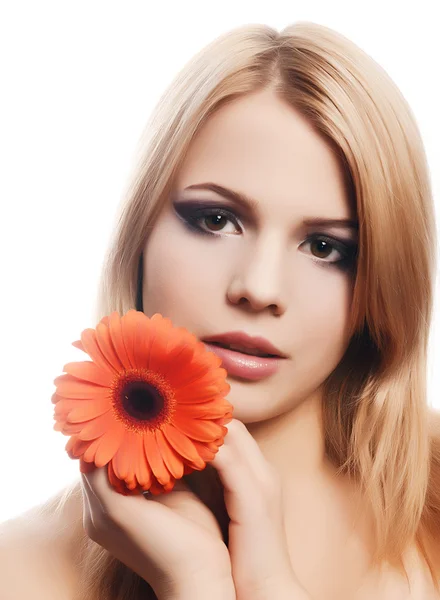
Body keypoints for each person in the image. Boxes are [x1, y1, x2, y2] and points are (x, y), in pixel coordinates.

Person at [1, 20, 439, 600]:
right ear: (141, 234)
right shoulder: (20, 573)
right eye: (216, 220)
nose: (258, 288)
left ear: (382, 285)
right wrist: (197, 584)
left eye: (326, 247)